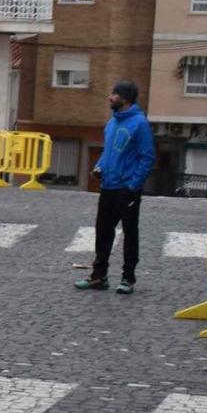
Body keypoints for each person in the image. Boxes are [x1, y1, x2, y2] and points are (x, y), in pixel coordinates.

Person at [75, 80, 155, 294]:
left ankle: (128, 278)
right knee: (103, 232)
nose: (110, 97)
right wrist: (98, 168)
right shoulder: (112, 123)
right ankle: (98, 276)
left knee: (130, 233)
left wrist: (133, 185)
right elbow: (107, 152)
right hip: (108, 187)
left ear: (125, 98)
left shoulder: (139, 123)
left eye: (114, 94)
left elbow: (147, 157)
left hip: (126, 188)